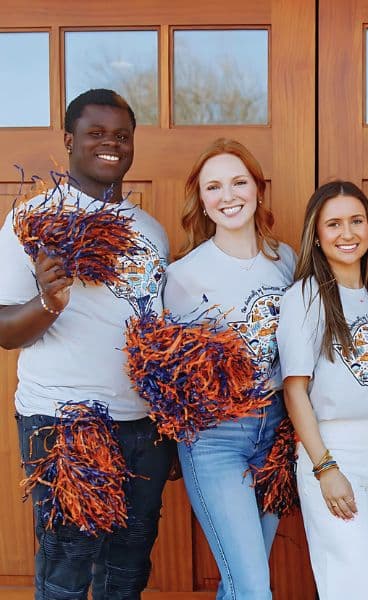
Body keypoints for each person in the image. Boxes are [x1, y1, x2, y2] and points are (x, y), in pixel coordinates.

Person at [0, 88, 173, 599]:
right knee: (66, 572)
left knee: (127, 570)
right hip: (62, 419)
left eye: (122, 135)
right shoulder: (31, 221)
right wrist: (50, 301)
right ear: (70, 139)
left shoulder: (151, 231)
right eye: (96, 133)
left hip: (143, 427)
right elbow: (5, 330)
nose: (110, 144)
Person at [162, 138, 295, 599]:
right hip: (215, 438)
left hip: (276, 432)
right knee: (253, 587)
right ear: (201, 199)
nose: (228, 195)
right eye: (213, 186)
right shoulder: (184, 276)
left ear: (258, 190)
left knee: (242, 581)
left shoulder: (286, 261)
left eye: (239, 182)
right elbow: (169, 378)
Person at [276, 181, 368, 600]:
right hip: (331, 450)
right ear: (316, 233)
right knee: (357, 588)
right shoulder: (305, 298)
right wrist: (325, 468)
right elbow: (295, 392)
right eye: (334, 224)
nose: (347, 234)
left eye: (356, 221)